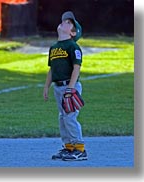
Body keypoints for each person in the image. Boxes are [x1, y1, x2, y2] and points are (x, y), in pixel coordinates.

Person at [43, 11, 87, 161]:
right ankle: (68, 147)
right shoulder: (54, 48)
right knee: (62, 118)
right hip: (58, 87)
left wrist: (71, 87)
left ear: (73, 33)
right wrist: (46, 87)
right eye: (64, 21)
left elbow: (76, 68)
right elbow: (52, 69)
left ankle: (80, 149)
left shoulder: (73, 46)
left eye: (69, 23)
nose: (64, 23)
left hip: (70, 86)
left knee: (70, 117)